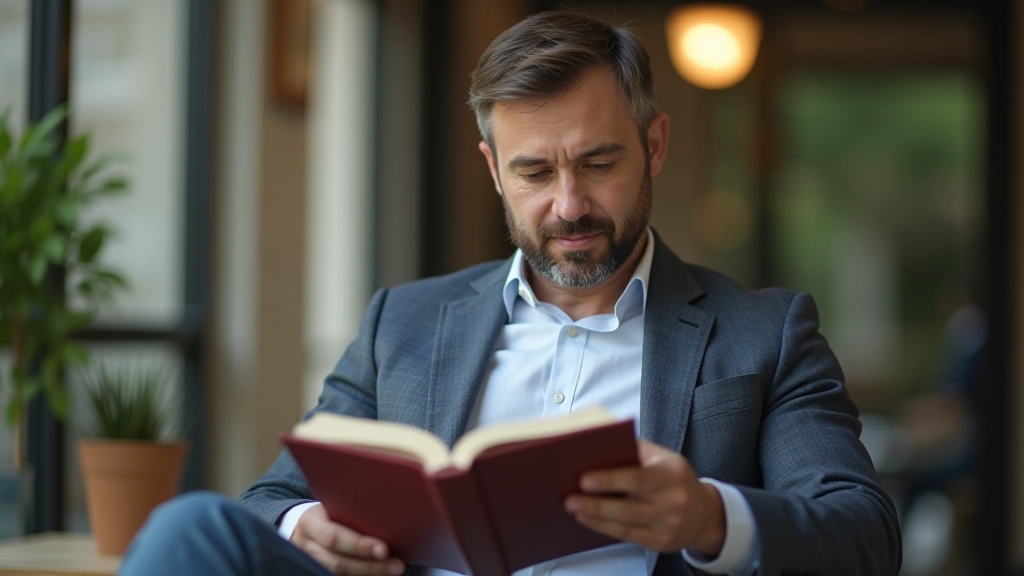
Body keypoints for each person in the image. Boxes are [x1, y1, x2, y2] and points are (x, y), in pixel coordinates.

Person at [120, 10, 901, 576]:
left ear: (654, 145)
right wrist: (306, 525)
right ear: (494, 170)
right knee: (194, 528)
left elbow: (864, 532)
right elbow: (273, 496)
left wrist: (707, 516)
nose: (569, 205)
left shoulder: (763, 333)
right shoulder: (404, 322)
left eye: (598, 164)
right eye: (534, 172)